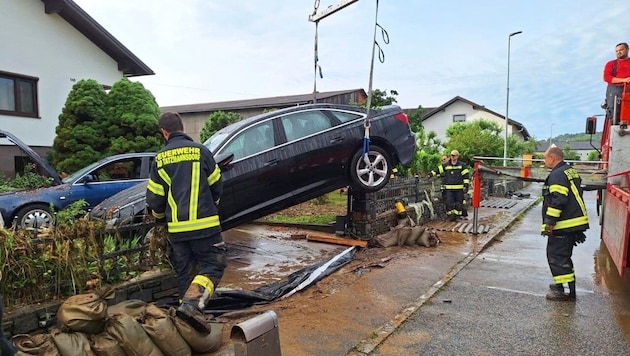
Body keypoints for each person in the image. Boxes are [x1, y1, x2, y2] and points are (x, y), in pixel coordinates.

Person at [146, 112, 226, 333]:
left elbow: (155, 198)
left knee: (185, 273)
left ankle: (186, 325)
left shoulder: (160, 158)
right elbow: (217, 185)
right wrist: (213, 205)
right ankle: (193, 306)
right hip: (205, 227)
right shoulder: (201, 151)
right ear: (182, 128)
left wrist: (161, 221)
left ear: (164, 132)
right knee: (214, 264)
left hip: (178, 231)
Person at [541, 146, 589, 302]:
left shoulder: (557, 174)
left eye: (545, 158)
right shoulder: (569, 170)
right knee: (563, 256)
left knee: (557, 256)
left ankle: (565, 292)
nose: (543, 160)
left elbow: (558, 200)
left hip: (564, 224)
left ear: (553, 158)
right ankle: (562, 286)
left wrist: (549, 223)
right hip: (573, 222)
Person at [603, 42, 630, 121]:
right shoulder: (611, 64)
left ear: (627, 49)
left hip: (628, 89)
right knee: (615, 111)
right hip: (615, 90)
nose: (618, 52)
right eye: (617, 51)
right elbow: (606, 77)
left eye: (621, 50)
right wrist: (624, 80)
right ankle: (615, 124)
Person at [442, 150, 470, 221]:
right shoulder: (446, 165)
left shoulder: (462, 165)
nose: (452, 157)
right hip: (449, 189)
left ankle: (457, 216)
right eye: (451, 155)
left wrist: (466, 185)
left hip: (459, 188)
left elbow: (466, 176)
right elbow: (438, 170)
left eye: (453, 155)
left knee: (459, 203)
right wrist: (431, 174)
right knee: (449, 202)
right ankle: (450, 216)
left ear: (457, 156)